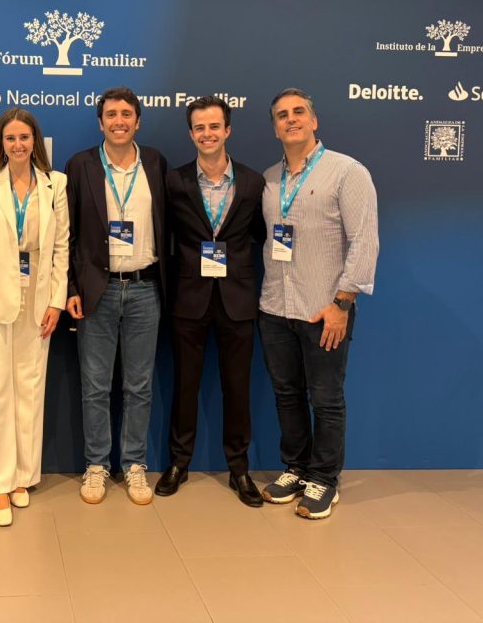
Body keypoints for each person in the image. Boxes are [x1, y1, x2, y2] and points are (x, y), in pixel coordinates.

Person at [259, 88, 378, 519]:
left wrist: (342, 304)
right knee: (286, 394)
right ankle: (296, 467)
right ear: (275, 128)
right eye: (281, 115)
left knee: (325, 399)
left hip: (324, 310)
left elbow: (365, 241)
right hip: (276, 308)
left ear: (314, 121)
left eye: (298, 112)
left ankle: (324, 479)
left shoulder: (347, 172)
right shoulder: (270, 179)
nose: (290, 119)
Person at [157, 96, 266, 506]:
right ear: (191, 134)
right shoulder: (174, 182)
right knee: (184, 386)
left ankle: (239, 469)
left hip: (237, 299)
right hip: (189, 299)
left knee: (237, 387)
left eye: (214, 126)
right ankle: (178, 463)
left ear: (227, 130)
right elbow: (164, 236)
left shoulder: (253, 183)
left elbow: (260, 235)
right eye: (200, 127)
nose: (207, 134)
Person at [0, 108, 69, 526]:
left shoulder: (56, 183)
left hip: (38, 296)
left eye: (25, 137)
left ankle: (23, 475)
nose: (18, 144)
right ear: (1, 144)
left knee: (30, 386)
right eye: (11, 138)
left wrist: (56, 301)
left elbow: (61, 247)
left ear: (35, 141)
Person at [65, 87, 167, 506]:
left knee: (139, 386)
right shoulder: (81, 165)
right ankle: (96, 465)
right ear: (100, 122)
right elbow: (68, 235)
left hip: (145, 288)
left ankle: (135, 464)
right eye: (111, 114)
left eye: (126, 114)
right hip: (97, 291)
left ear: (138, 121)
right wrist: (71, 288)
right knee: (95, 386)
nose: (119, 121)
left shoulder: (155, 163)